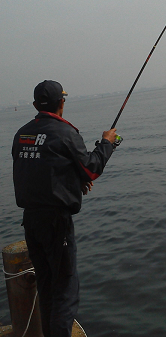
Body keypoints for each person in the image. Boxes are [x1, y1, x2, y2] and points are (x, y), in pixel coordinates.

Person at [12, 80, 117, 337]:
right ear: (62, 103)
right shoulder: (65, 133)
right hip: (56, 224)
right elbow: (91, 169)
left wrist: (71, 182)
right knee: (65, 293)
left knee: (47, 288)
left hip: (32, 222)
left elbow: (39, 168)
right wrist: (107, 143)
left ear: (36, 105)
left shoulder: (22, 134)